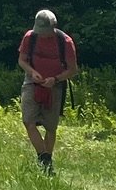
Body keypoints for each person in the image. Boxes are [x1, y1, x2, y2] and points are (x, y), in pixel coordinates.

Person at [17, 9, 78, 174]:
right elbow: (22, 61)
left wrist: (56, 79)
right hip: (32, 82)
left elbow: (72, 70)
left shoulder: (65, 42)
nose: (42, 35)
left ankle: (46, 164)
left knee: (50, 127)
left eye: (45, 32)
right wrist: (32, 72)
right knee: (28, 120)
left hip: (55, 86)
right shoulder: (30, 37)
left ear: (54, 26)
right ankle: (43, 158)